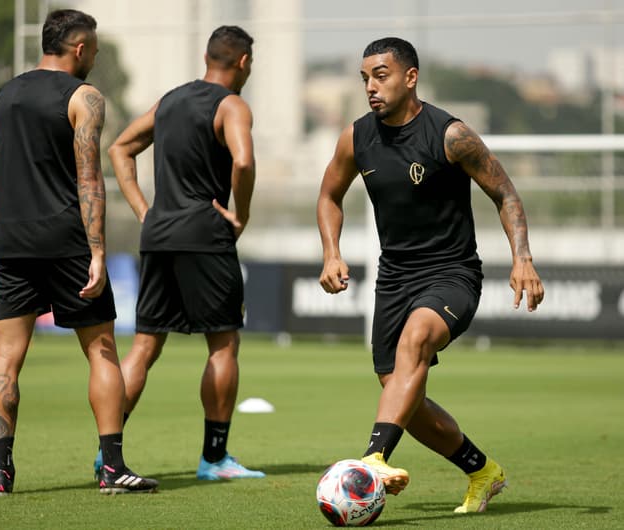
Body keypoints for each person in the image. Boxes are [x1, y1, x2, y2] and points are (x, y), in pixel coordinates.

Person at [317, 37, 544, 514]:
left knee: (416, 340)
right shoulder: (356, 138)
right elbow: (329, 196)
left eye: (381, 76)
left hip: (452, 274)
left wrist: (522, 257)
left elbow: (505, 193)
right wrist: (331, 252)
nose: (371, 88)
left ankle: (374, 457)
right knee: (403, 396)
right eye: (365, 79)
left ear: (410, 77)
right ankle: (482, 471)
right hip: (393, 279)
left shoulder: (450, 134)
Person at [0, 8, 157, 496]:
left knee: (4, 362)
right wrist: (98, 251)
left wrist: (1, 241)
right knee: (102, 353)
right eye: (94, 51)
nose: (95, 59)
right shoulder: (85, 97)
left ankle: (0, 473)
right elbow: (89, 181)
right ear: (79, 48)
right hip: (67, 242)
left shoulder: (1, 97)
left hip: (14, 243)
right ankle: (112, 468)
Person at [101, 25, 263, 481]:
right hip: (205, 235)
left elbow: (119, 148)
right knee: (223, 343)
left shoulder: (170, 100)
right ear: (243, 63)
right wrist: (241, 214)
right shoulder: (231, 105)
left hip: (157, 235)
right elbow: (244, 161)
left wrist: (144, 211)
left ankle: (108, 456)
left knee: (145, 346)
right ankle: (214, 459)